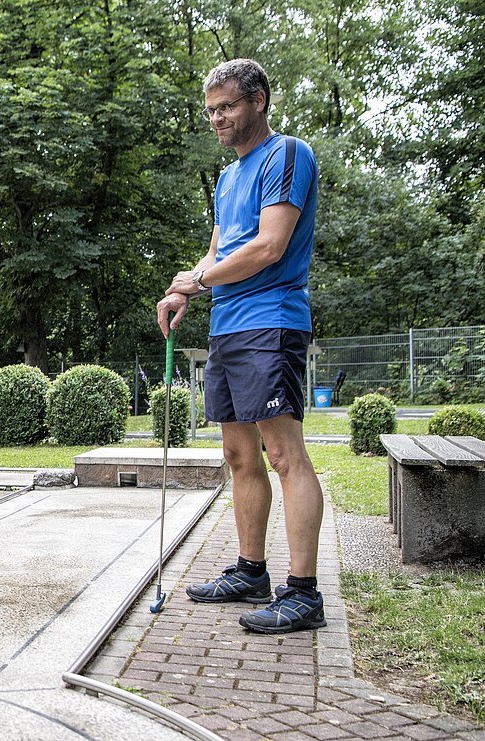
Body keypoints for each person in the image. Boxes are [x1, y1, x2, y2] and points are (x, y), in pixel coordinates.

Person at [156, 59, 325, 634]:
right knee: (238, 457)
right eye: (210, 110)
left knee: (283, 455)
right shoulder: (229, 178)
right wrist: (185, 288)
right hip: (228, 325)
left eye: (226, 106)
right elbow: (218, 253)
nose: (217, 118)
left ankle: (303, 593)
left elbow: (268, 247)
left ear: (259, 100)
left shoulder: (287, 155)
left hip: (270, 321)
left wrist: (203, 281)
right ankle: (252, 571)